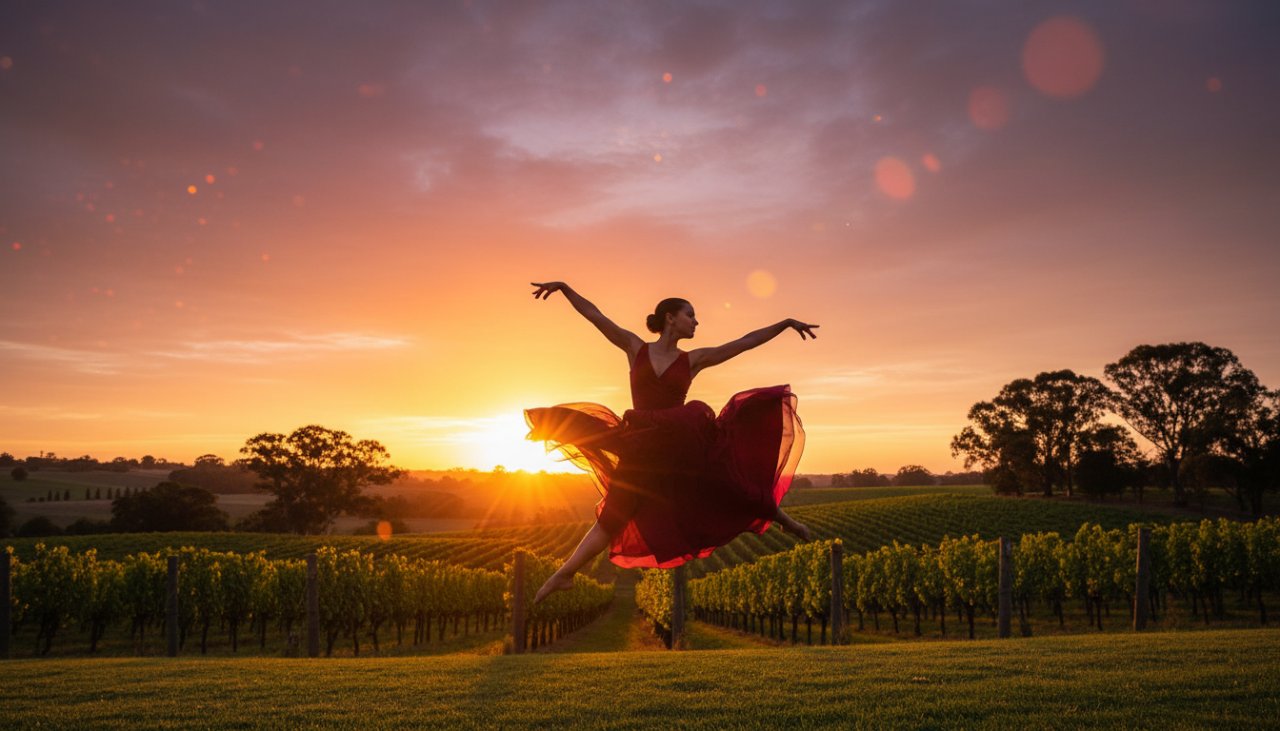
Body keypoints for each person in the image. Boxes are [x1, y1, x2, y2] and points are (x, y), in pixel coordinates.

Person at [525, 281, 818, 604]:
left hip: (681, 445)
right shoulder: (635, 348)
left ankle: (788, 523)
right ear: (670, 318)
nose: (696, 322)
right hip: (641, 448)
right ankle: (564, 574)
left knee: (731, 486)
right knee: (613, 515)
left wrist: (785, 323)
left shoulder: (693, 360)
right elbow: (597, 317)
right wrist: (566, 289)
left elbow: (745, 342)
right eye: (690, 315)